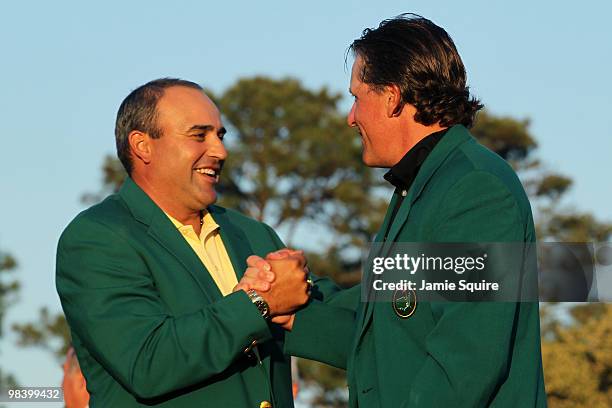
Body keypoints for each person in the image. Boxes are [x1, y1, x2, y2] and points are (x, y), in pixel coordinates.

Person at [250, 14, 547, 407]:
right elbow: (387, 331)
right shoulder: (425, 184)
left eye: (356, 97)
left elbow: (464, 365)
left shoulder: (476, 188)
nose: (350, 117)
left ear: (391, 97)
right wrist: (287, 308)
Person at [56, 78, 310, 407]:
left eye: (219, 135)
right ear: (142, 145)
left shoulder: (254, 234)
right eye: (198, 135)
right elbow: (148, 362)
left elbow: (344, 319)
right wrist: (258, 304)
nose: (220, 151)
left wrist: (395, 283)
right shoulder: (97, 237)